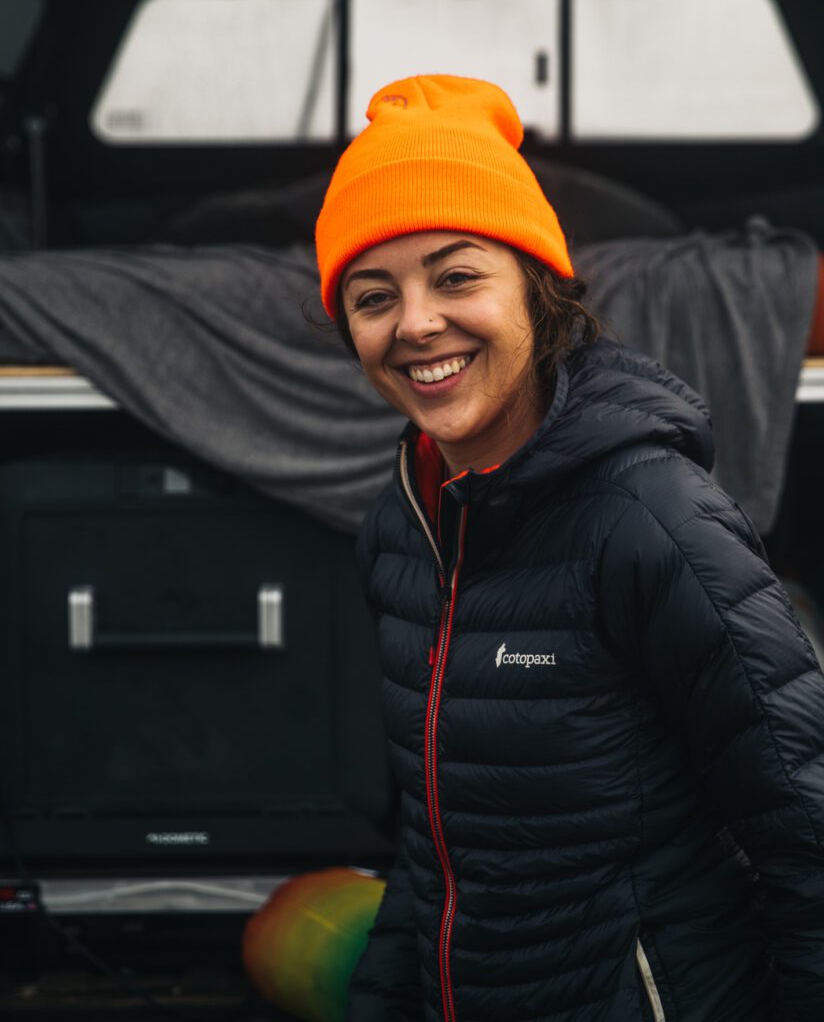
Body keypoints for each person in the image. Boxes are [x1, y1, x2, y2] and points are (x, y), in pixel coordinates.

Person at [314, 75, 824, 1022]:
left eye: (456, 277)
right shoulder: (402, 525)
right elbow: (434, 850)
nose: (416, 323)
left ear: (538, 291)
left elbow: (806, 830)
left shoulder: (652, 516)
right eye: (373, 296)